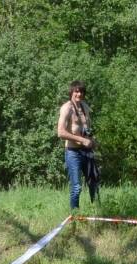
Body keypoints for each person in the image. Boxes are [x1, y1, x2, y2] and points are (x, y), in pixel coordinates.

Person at [56, 80, 97, 210]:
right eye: (76, 91)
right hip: (73, 153)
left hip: (87, 152)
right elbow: (60, 132)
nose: (79, 94)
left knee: (93, 183)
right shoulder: (67, 108)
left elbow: (87, 128)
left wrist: (92, 140)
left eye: (82, 92)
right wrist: (82, 140)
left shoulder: (85, 106)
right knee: (77, 187)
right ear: (71, 92)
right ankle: (75, 214)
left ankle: (96, 211)